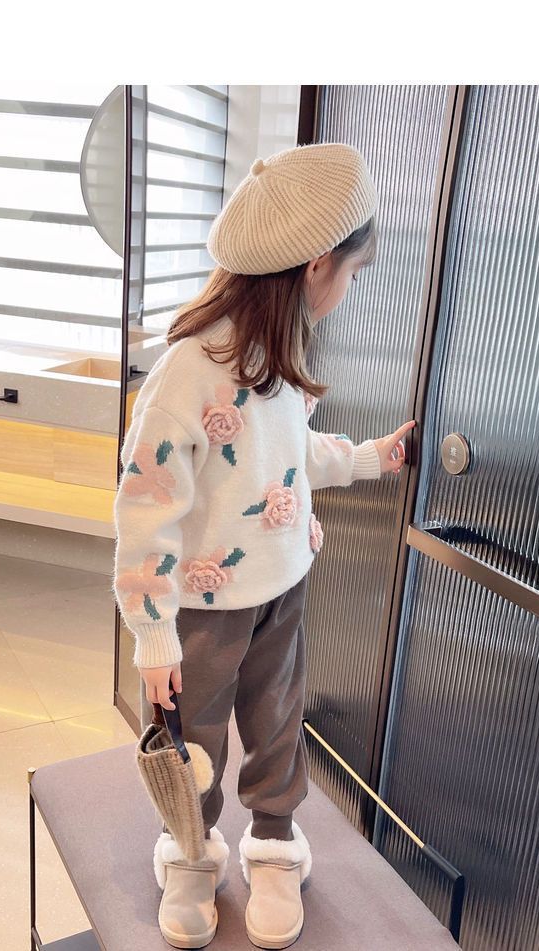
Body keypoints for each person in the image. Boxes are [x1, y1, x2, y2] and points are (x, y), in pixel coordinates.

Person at [112, 141, 416, 949]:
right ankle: (189, 849)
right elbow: (144, 507)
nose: (349, 290)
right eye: (353, 272)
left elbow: (288, 455)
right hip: (203, 607)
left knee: (278, 722)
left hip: (281, 588)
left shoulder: (278, 355)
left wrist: (367, 458)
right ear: (317, 265)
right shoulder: (188, 370)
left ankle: (276, 843)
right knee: (196, 738)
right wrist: (152, 631)